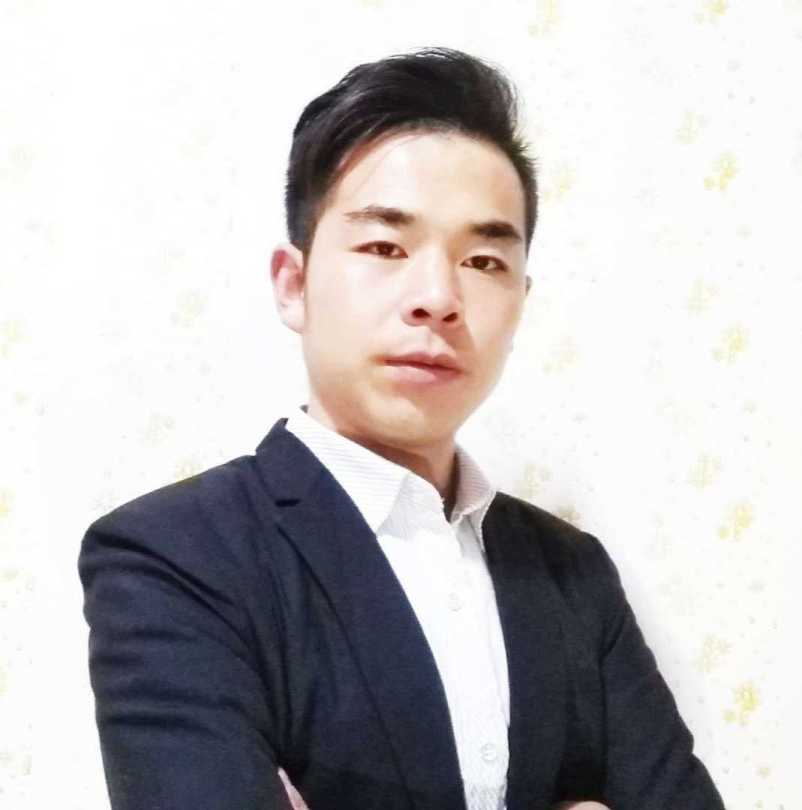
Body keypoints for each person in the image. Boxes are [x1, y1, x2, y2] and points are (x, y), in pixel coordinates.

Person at [78, 46, 726, 810]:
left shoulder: (572, 574)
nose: (438, 298)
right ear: (294, 284)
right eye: (385, 247)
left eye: (484, 261)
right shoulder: (174, 556)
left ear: (521, 300)